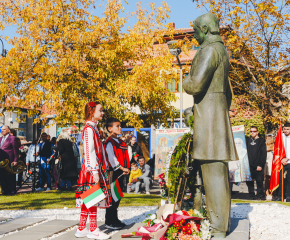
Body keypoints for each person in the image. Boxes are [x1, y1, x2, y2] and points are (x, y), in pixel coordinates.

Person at [183, 13, 239, 237]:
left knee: (213, 173)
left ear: (205, 29)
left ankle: (217, 227)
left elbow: (195, 85)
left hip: (209, 120)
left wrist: (186, 78)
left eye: (196, 30)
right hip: (215, 115)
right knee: (216, 171)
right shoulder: (222, 51)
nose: (194, 35)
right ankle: (219, 222)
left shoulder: (209, 50)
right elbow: (229, 93)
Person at [75, 101, 112, 239]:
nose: (102, 113)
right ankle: (93, 229)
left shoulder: (93, 128)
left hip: (93, 167)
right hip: (92, 168)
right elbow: (89, 151)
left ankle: (81, 228)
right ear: (91, 111)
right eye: (100, 110)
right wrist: (94, 171)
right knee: (93, 197)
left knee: (88, 198)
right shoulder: (89, 129)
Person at [104, 117, 130, 230]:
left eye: (120, 126)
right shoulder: (109, 142)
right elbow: (111, 157)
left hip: (121, 171)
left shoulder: (120, 141)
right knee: (112, 197)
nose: (120, 128)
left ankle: (115, 218)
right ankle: (109, 221)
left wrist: (126, 168)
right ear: (110, 128)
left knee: (117, 196)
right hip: (113, 172)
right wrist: (122, 168)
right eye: (117, 126)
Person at [245, 126, 267, 200]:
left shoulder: (261, 141)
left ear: (257, 132)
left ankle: (260, 195)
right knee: (249, 181)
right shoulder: (247, 141)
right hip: (249, 165)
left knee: (259, 181)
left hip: (258, 165)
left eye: (254, 131)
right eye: (251, 131)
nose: (252, 133)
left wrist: (260, 165)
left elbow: (263, 154)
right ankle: (251, 195)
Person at [0, 125, 19, 194]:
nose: (2, 131)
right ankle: (4, 190)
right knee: (2, 176)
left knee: (10, 176)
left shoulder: (12, 138)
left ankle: (12, 190)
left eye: (4, 129)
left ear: (8, 130)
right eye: (2, 130)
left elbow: (16, 150)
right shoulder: (0, 138)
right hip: (1, 161)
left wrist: (15, 160)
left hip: (9, 160)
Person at [275, 123, 290, 202]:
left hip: (289, 161)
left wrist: (288, 158)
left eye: (288, 129)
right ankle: (280, 196)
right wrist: (282, 159)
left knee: (289, 179)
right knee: (279, 179)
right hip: (281, 162)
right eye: (285, 129)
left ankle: (288, 196)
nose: (286, 131)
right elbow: (277, 149)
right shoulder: (281, 137)